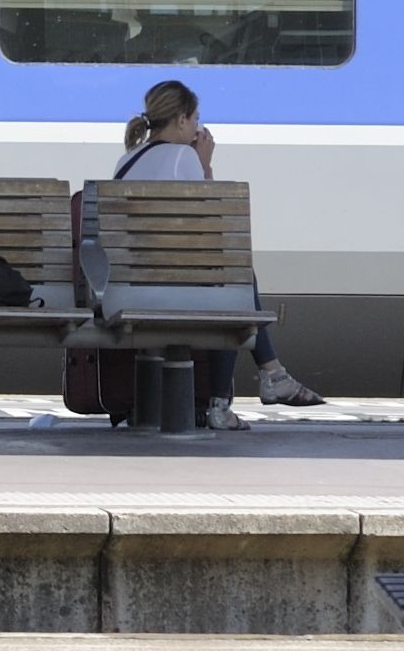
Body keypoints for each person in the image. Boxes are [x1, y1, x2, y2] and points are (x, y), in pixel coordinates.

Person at [109, 78, 321, 416]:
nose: (198, 127)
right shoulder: (183, 157)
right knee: (233, 283)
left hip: (127, 288)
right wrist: (205, 164)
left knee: (230, 283)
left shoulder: (128, 159)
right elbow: (214, 232)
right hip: (167, 290)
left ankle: (270, 376)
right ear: (181, 120)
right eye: (195, 119)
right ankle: (248, 387)